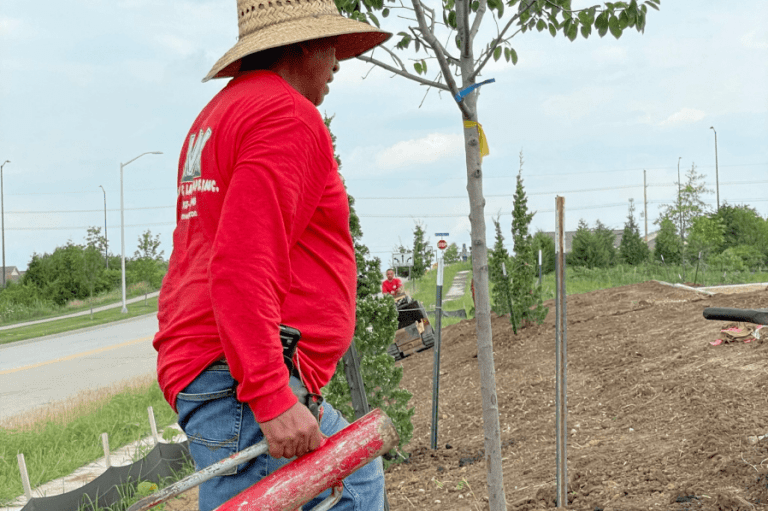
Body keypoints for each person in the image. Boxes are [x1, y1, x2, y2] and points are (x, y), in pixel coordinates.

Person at [151, 2, 391, 510]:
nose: (337, 64)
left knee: (356, 474)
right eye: (330, 47)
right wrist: (270, 395)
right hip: (239, 374)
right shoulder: (286, 115)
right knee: (350, 481)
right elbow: (242, 263)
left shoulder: (220, 114)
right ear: (301, 46)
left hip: (222, 364)